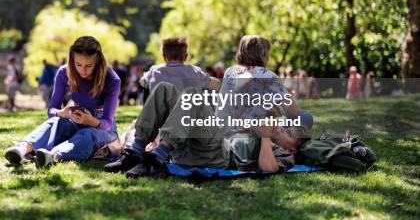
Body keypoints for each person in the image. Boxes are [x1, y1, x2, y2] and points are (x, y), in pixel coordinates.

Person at [104, 80, 313, 177]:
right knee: (164, 90)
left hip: (217, 154)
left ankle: (156, 159)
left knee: (194, 96)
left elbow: (269, 169)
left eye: (289, 132)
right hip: (196, 142)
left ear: (293, 148)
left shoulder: (285, 155)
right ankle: (134, 153)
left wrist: (266, 137)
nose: (283, 128)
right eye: (287, 125)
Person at [4, 36, 121, 168]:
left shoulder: (112, 79)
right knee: (55, 122)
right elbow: (52, 109)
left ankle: (52, 156)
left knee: (87, 134)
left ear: (98, 62)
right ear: (72, 60)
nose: (83, 71)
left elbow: (107, 124)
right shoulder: (64, 72)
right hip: (76, 118)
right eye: (78, 65)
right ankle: (21, 149)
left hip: (102, 127)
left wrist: (90, 121)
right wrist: (61, 113)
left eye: (89, 66)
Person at [139, 37, 221, 93]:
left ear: (164, 56)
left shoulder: (154, 71)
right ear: (185, 57)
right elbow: (217, 85)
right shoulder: (195, 72)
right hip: (187, 115)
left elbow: (142, 81)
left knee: (147, 88)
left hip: (162, 117)